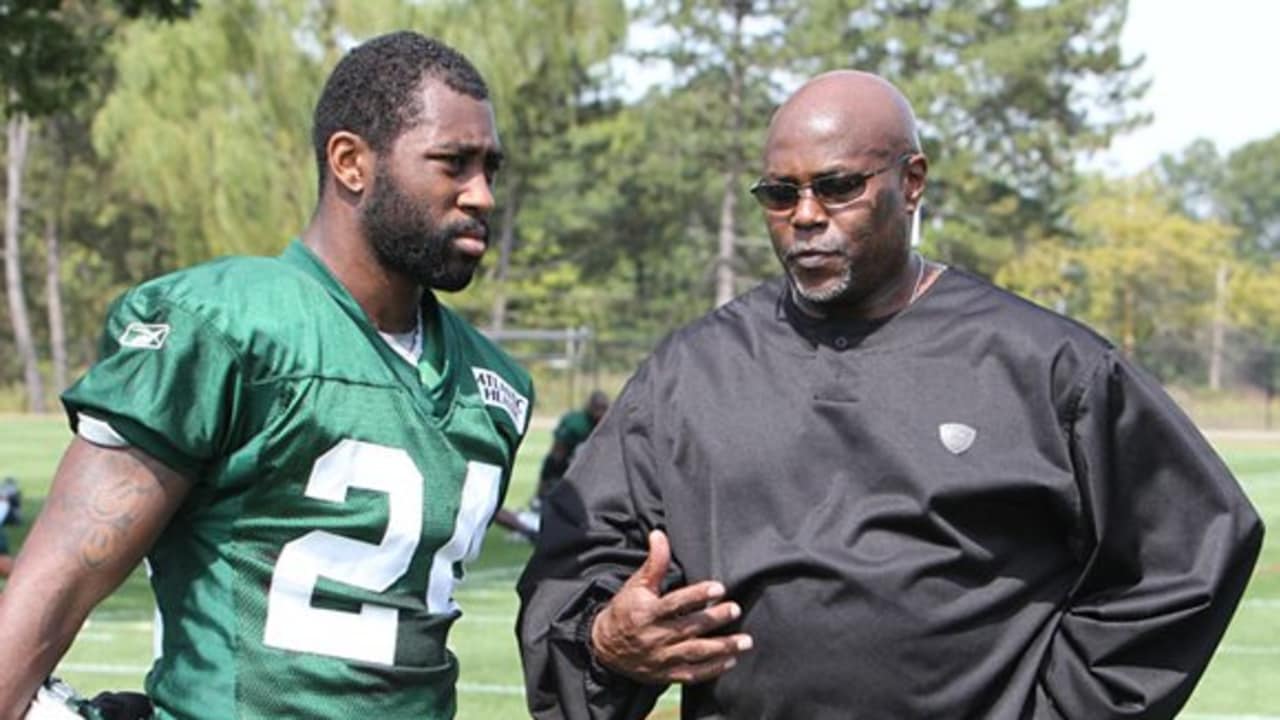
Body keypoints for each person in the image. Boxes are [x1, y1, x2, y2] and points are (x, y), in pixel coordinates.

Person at [516, 70, 1264, 719]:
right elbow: (579, 558)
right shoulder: (692, 372)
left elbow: (1190, 550)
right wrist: (608, 641)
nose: (806, 215)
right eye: (780, 195)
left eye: (838, 186)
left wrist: (1062, 707)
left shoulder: (1046, 367)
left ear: (912, 182)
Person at [0, 31, 533, 720]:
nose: (482, 195)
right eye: (453, 164)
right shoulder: (227, 325)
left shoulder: (494, 386)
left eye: (491, 167)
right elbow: (61, 580)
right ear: (350, 163)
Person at [533, 390, 610, 509]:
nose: (600, 412)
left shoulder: (610, 423)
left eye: (604, 408)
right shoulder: (576, 423)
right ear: (589, 407)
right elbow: (557, 452)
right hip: (568, 464)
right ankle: (541, 499)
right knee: (553, 464)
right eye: (598, 408)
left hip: (593, 467)